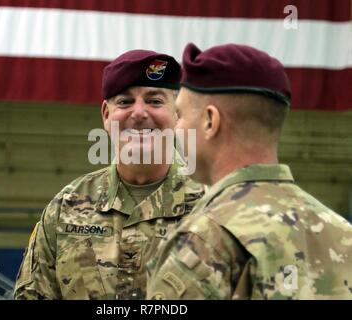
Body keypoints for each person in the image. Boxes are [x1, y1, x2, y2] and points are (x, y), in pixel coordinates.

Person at [146, 43, 352, 300]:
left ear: (211, 121)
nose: (175, 129)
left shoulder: (206, 240)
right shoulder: (341, 232)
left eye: (180, 115)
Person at [13, 49, 204, 299]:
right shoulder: (66, 209)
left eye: (154, 101)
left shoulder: (211, 206)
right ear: (106, 115)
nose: (138, 113)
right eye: (125, 102)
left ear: (177, 114)